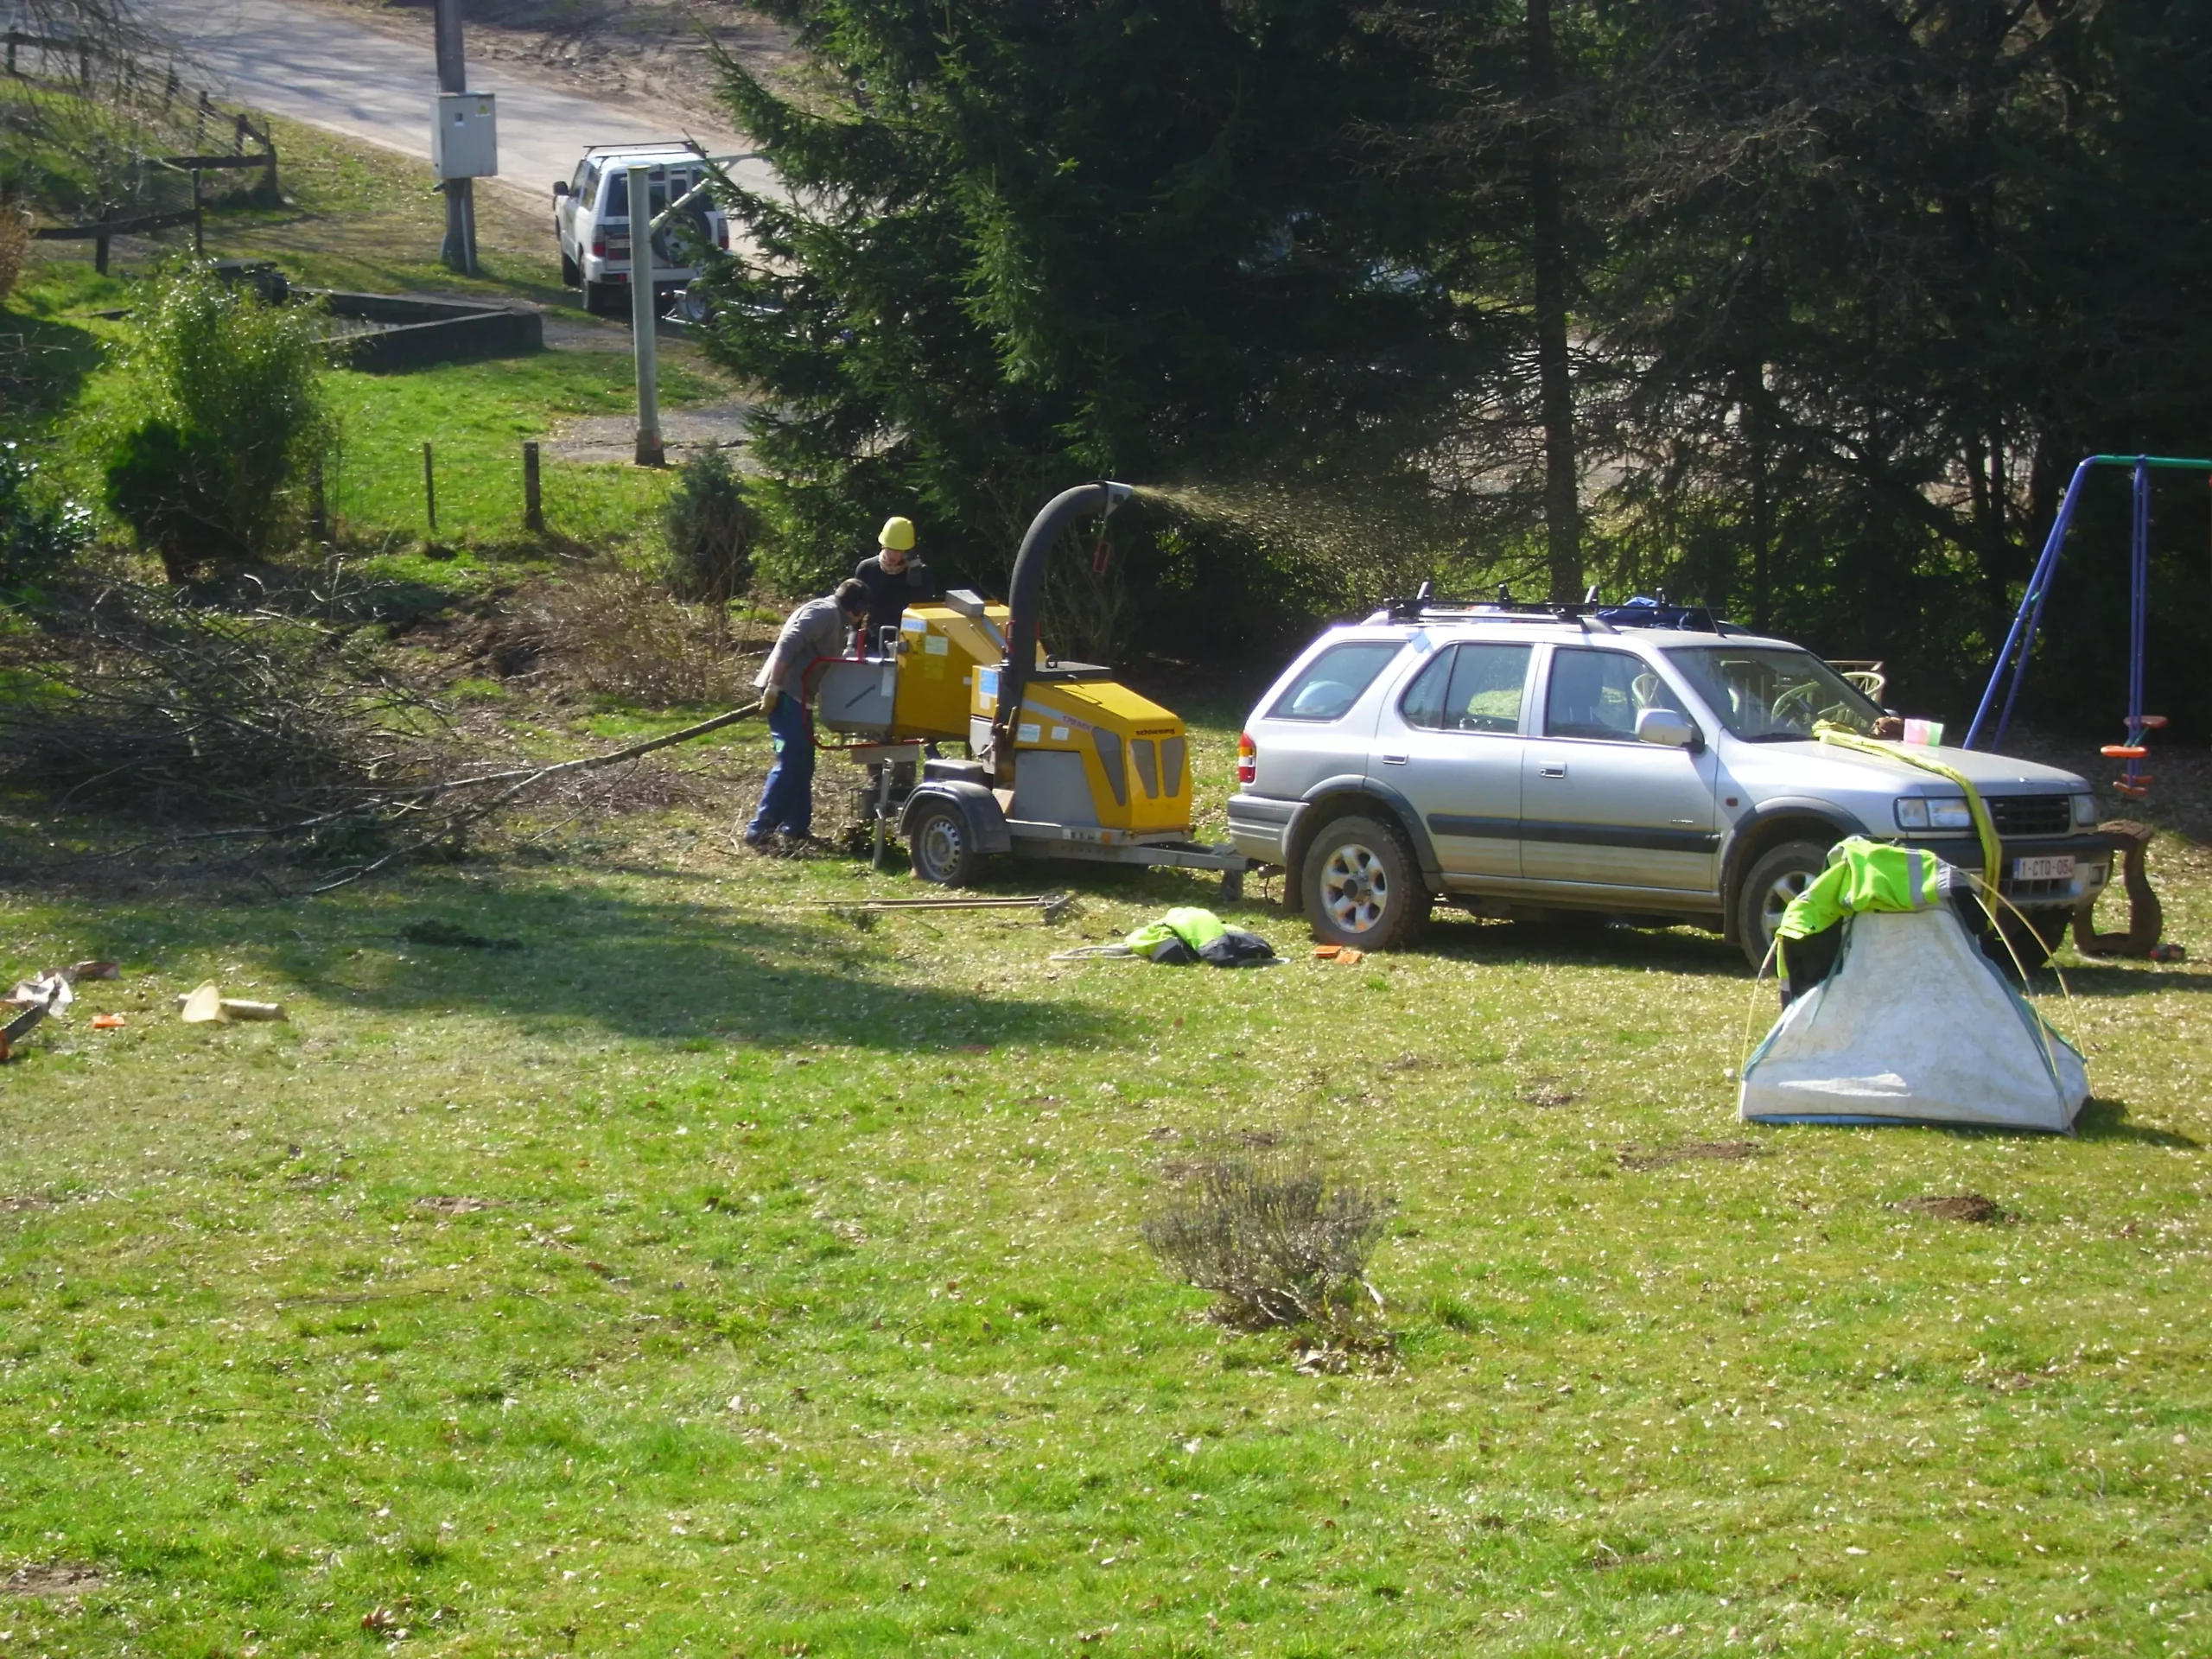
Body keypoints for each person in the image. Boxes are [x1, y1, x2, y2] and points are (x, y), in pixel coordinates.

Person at [745, 578, 871, 849]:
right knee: (791, 762)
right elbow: (788, 645)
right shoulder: (824, 613)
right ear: (857, 608)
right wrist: (773, 687)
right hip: (785, 694)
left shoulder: (837, 619)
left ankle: (796, 829)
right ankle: (759, 832)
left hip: (800, 696)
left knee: (804, 763)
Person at [854, 515, 935, 647]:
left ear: (907, 550)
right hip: (872, 643)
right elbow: (854, 611)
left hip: (907, 644)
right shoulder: (866, 569)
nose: (892, 556)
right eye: (889, 549)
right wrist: (852, 645)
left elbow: (923, 612)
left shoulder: (921, 573)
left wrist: (915, 576)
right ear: (882, 545)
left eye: (898, 551)